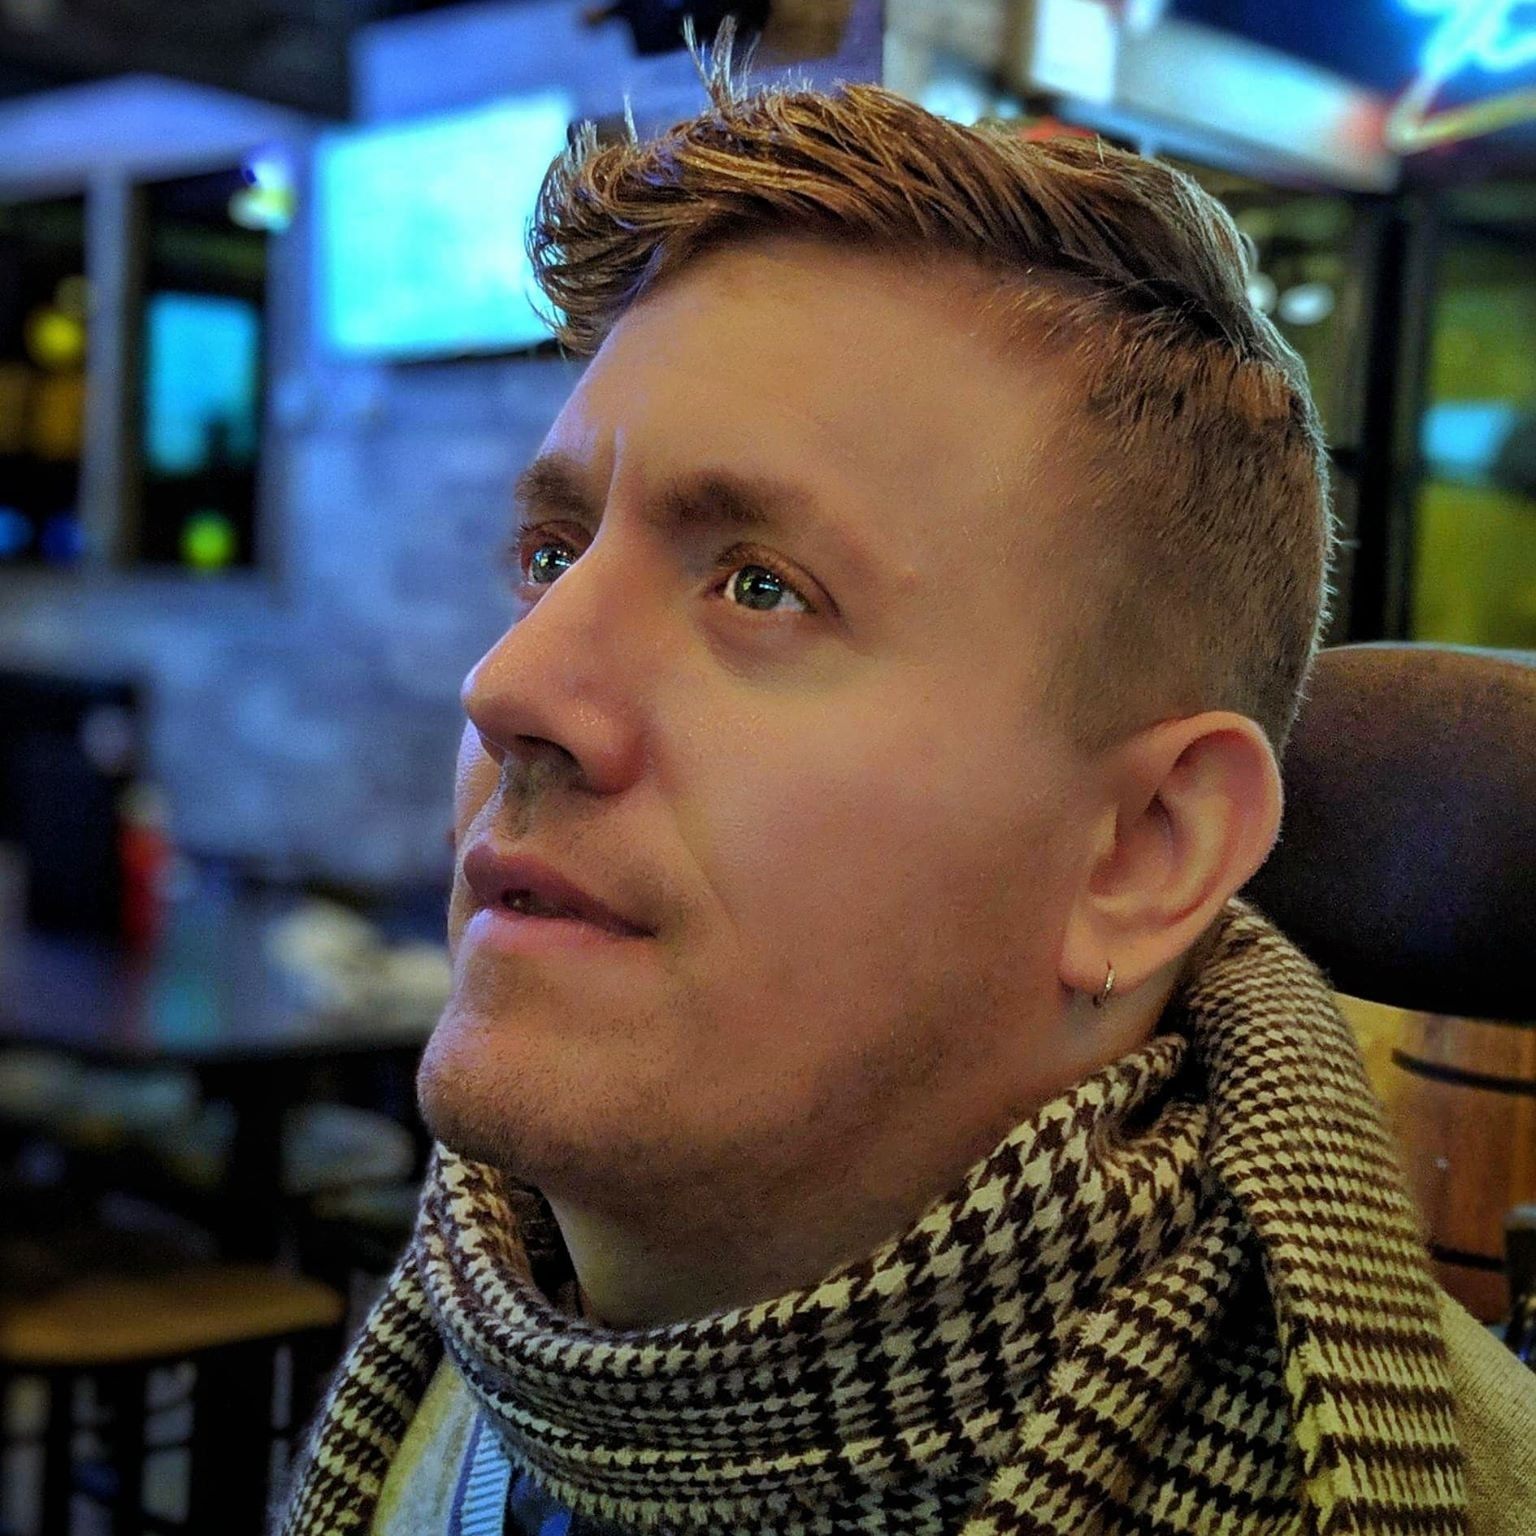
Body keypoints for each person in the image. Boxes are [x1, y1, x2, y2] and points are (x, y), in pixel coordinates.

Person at [279, 26, 1536, 1536]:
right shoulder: (478, 1331)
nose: (510, 689)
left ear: (1144, 849)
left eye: (759, 587)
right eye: (551, 559)